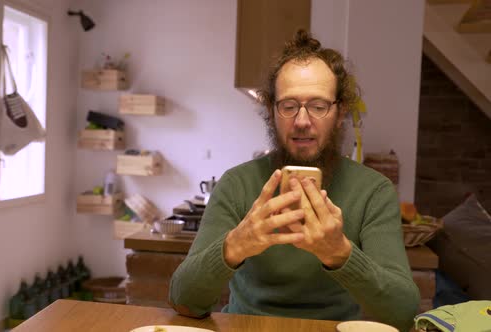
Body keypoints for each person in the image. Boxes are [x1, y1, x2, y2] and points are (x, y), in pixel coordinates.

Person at [168, 30, 420, 332]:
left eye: (318, 106)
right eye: (289, 106)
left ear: (339, 113)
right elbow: (183, 301)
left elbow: (403, 312)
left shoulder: (373, 192)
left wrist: (340, 253)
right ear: (272, 112)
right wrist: (235, 246)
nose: (302, 120)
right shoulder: (237, 184)